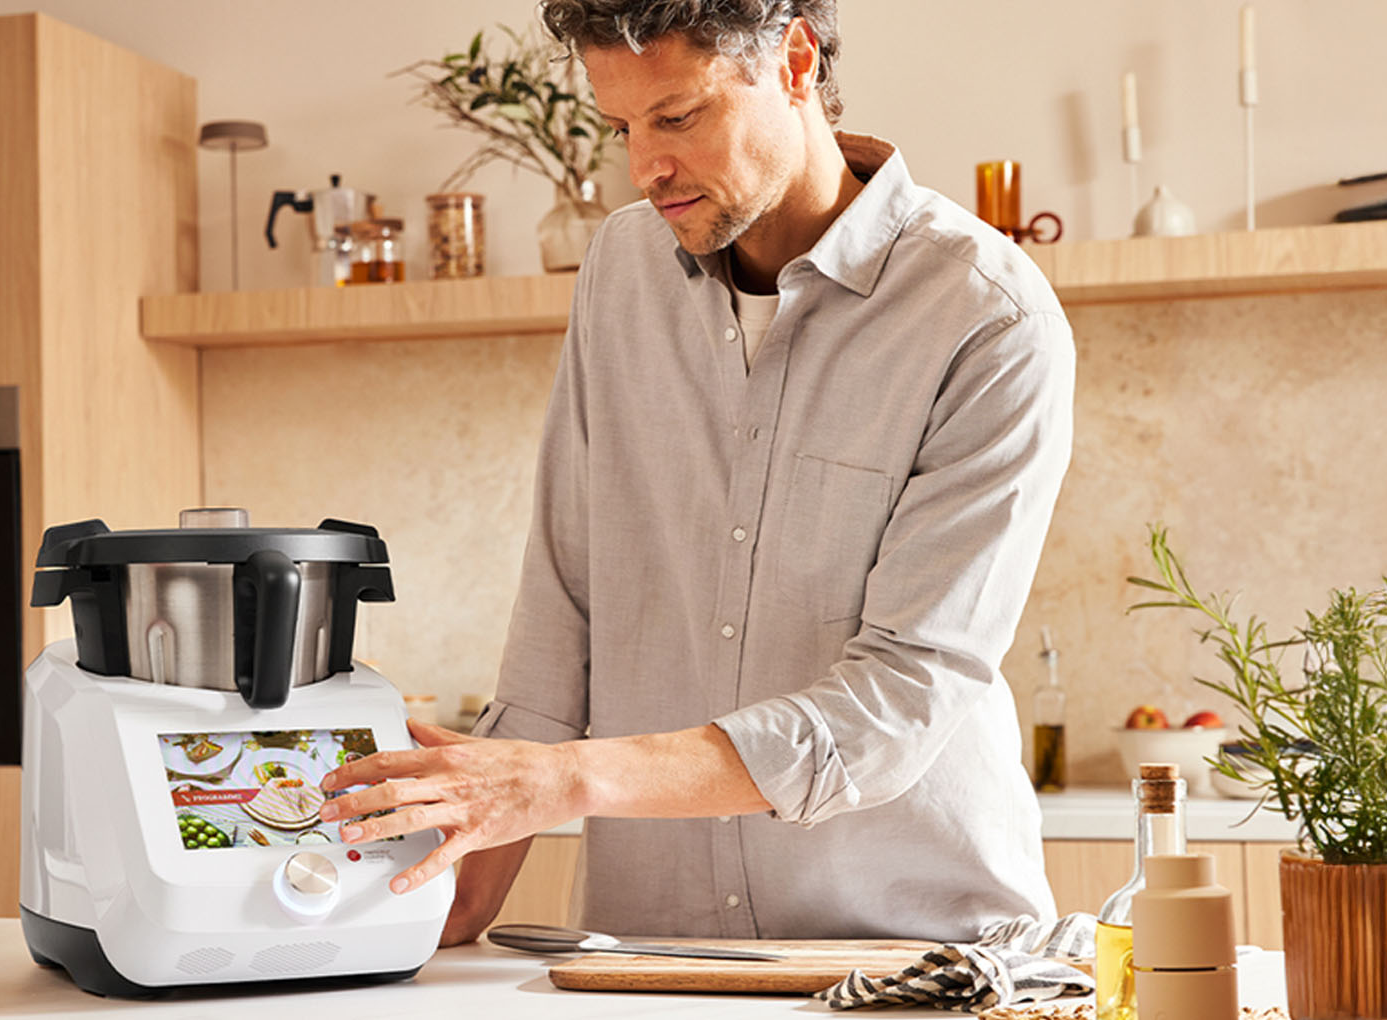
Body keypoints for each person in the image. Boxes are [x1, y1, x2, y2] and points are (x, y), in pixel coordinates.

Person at [320, 0, 1072, 946]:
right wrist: (460, 883)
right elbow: (564, 610)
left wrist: (561, 782)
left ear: (795, 60)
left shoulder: (986, 315)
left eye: (678, 117)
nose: (644, 170)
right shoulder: (620, 272)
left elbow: (900, 698)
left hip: (907, 954)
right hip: (650, 950)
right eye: (622, 128)